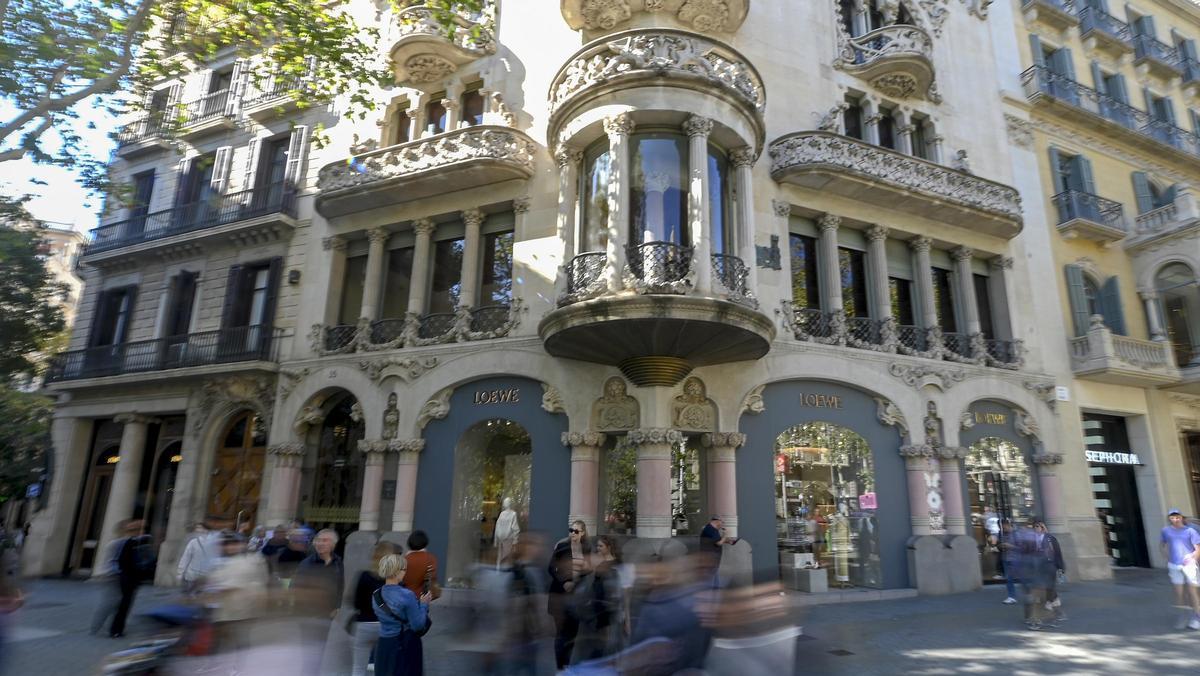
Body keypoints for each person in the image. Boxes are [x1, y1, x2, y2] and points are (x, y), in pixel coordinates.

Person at [205, 532, 268, 650]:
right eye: (227, 544)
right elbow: (212, 581)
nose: (230, 547)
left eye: (234, 544)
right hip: (224, 610)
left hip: (245, 608)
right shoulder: (219, 561)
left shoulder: (253, 560)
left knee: (241, 641)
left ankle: (239, 666)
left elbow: (257, 581)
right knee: (220, 642)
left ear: (243, 544)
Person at [372, 553, 431, 676]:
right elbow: (418, 625)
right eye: (404, 569)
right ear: (397, 571)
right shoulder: (406, 595)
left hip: (383, 645)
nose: (405, 572)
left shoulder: (376, 595)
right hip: (403, 644)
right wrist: (424, 604)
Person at [573, 534, 625, 662]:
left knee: (606, 644)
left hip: (607, 608)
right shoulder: (598, 562)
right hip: (596, 607)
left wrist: (625, 615)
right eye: (597, 546)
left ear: (609, 547)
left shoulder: (616, 564)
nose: (598, 548)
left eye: (601, 546)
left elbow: (622, 591)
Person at [548, 520, 591, 669]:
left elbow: (588, 570)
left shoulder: (586, 549)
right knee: (561, 633)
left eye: (576, 531)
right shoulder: (562, 546)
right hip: (560, 595)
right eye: (571, 530)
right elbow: (551, 568)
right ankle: (561, 667)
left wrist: (577, 581)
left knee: (572, 634)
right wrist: (564, 582)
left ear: (583, 533)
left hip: (576, 597)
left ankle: (567, 665)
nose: (573, 533)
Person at [351, 541, 398, 676]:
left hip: (364, 624)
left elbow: (356, 603)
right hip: (386, 626)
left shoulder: (364, 576)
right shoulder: (395, 579)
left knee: (358, 667)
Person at [109, 519, 151, 638]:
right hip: (128, 577)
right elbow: (122, 561)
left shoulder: (135, 542)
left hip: (129, 577)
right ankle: (116, 629)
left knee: (124, 603)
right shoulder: (129, 543)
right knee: (124, 604)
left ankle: (117, 628)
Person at [1161, 508, 1200, 630]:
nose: (1175, 519)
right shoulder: (1166, 531)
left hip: (1189, 564)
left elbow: (1197, 548)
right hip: (1175, 565)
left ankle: (1197, 617)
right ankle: (1184, 616)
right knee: (1180, 593)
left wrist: (1193, 558)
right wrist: (1167, 557)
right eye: (1172, 517)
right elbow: (1162, 545)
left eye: (1177, 517)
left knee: (1192, 591)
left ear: (1182, 517)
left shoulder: (1190, 530)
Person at [294, 528, 344, 618]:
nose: (320, 543)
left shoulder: (338, 562)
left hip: (328, 613)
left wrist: (337, 607)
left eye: (325, 541)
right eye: (318, 540)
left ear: (333, 544)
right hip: (308, 613)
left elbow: (340, 586)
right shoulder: (306, 564)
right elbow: (296, 587)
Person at [1032, 520, 1066, 623]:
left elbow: (1058, 552)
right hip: (1041, 566)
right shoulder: (1034, 540)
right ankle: (1055, 600)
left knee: (1050, 584)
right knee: (1045, 584)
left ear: (1043, 527)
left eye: (1038, 526)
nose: (1036, 528)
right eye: (1034, 527)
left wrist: (1060, 567)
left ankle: (1049, 602)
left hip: (1050, 565)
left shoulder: (1050, 538)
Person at [177, 521, 219, 595]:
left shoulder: (214, 542)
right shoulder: (193, 542)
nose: (197, 530)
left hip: (205, 576)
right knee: (190, 597)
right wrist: (180, 573)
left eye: (199, 528)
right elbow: (185, 558)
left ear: (206, 529)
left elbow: (216, 559)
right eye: (196, 528)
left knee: (202, 598)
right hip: (192, 575)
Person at [401, 530, 439, 600]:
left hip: (404, 596)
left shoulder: (404, 559)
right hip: (422, 597)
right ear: (425, 542)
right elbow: (432, 578)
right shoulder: (430, 559)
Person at [494, 497, 520, 569]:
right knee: (505, 557)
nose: (505, 504)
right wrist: (515, 541)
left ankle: (500, 571)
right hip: (506, 539)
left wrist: (515, 541)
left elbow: (497, 527)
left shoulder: (511, 514)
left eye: (506, 502)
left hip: (504, 539)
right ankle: (502, 571)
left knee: (502, 557)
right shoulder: (505, 514)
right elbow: (516, 529)